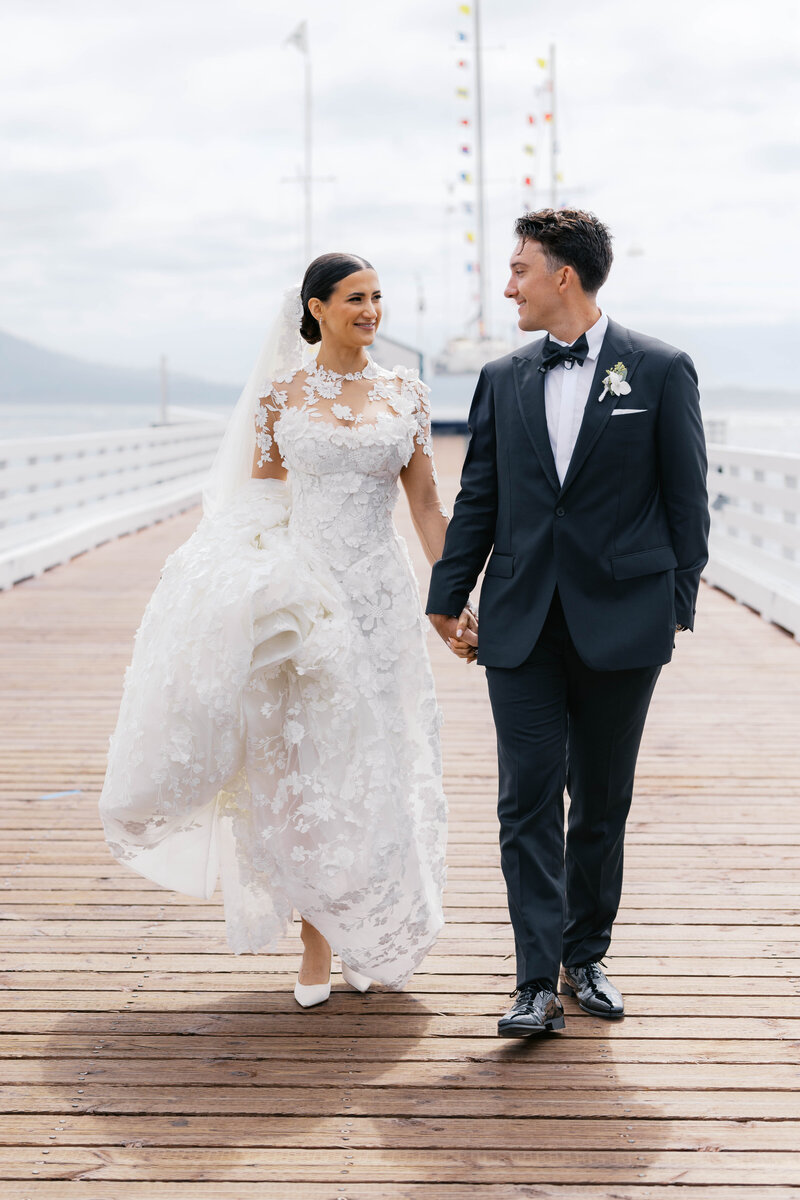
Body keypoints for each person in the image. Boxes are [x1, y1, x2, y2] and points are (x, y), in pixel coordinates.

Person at [99, 252, 477, 1007]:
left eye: (377, 297)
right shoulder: (280, 396)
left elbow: (428, 506)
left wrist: (454, 595)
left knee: (383, 762)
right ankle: (317, 940)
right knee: (309, 771)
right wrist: (243, 591)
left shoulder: (405, 393)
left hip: (379, 599)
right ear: (316, 307)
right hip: (306, 604)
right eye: (354, 299)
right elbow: (258, 506)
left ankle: (370, 927)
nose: (371, 311)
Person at [426, 209, 710, 1037]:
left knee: (600, 800)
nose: (507, 285)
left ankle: (586, 956)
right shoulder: (502, 376)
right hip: (519, 623)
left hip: (624, 621)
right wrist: (446, 597)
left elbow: (688, 505)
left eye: (519, 270)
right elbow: (482, 495)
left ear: (564, 278)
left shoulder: (659, 369)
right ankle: (533, 983)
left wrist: (674, 612)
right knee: (525, 799)